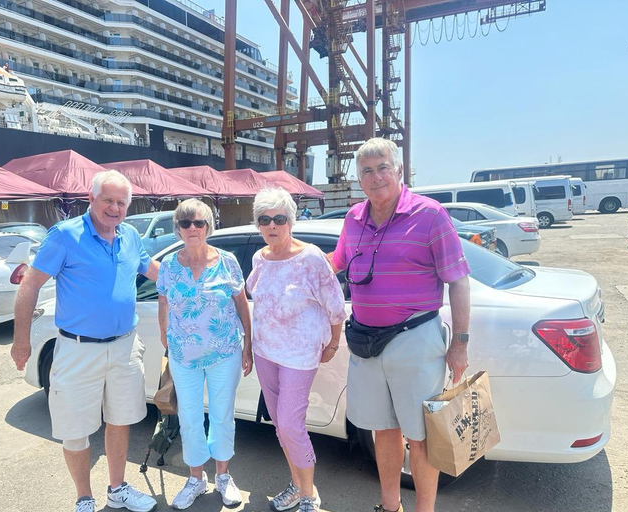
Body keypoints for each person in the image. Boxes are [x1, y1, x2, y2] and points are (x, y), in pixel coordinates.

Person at [329, 138, 470, 512]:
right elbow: (337, 263)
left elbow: (458, 280)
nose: (375, 178)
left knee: (421, 436)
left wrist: (460, 343)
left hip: (415, 339)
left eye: (382, 168)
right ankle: (390, 506)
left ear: (399, 171)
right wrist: (289, 259)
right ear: (358, 179)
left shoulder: (430, 214)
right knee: (382, 430)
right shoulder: (353, 218)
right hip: (366, 342)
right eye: (366, 172)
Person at [11, 170, 159, 512]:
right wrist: (22, 341)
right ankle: (84, 497)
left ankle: (118, 489)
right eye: (107, 200)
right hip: (78, 349)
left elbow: (153, 269)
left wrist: (198, 276)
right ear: (90, 199)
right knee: (75, 428)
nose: (115, 208)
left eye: (122, 202)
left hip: (124, 346)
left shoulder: (131, 235)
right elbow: (30, 285)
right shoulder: (65, 235)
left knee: (120, 419)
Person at [246, 188, 347, 512]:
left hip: (299, 356)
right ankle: (298, 484)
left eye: (279, 219)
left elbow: (335, 307)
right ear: (258, 224)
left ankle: (308, 496)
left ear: (290, 221)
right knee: (280, 426)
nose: (272, 225)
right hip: (265, 352)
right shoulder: (259, 258)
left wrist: (332, 343)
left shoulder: (311, 259)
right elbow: (253, 297)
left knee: (291, 425)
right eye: (265, 219)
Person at [156, 198, 253, 510]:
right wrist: (166, 342)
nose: (192, 228)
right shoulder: (170, 265)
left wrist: (248, 343)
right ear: (179, 229)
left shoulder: (227, 261)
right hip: (184, 356)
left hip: (224, 353)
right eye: (186, 223)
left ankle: (223, 476)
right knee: (189, 417)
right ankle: (196, 478)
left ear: (208, 226)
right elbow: (163, 303)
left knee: (223, 415)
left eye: (198, 222)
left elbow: (241, 303)